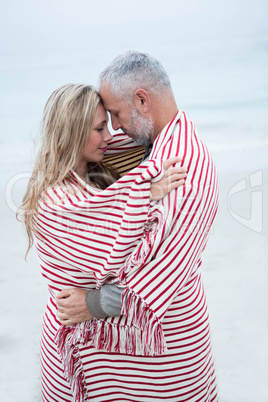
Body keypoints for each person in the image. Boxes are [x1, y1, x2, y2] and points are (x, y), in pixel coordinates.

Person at [57, 51, 219, 401]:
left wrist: (90, 304)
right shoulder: (149, 144)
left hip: (168, 357)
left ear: (142, 100)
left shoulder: (181, 167)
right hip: (138, 363)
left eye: (115, 115)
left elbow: (156, 275)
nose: (113, 129)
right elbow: (82, 144)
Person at [18, 83, 187, 401]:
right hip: (75, 343)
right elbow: (112, 252)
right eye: (99, 128)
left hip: (98, 342)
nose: (109, 136)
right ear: (72, 132)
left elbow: (145, 139)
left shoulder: (94, 177)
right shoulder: (56, 199)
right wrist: (147, 192)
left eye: (110, 124)